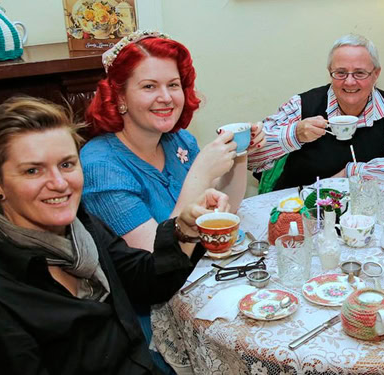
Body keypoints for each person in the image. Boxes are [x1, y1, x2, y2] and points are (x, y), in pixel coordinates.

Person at [0, 96, 225, 374]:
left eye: (67, 164)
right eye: (33, 170)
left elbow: (147, 281)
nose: (59, 183)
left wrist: (185, 230)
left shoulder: (82, 226)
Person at [80, 30, 264, 373]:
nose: (165, 97)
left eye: (173, 85)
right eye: (149, 86)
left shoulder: (178, 140)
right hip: (150, 318)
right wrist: (199, 174)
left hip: (198, 285)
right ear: (119, 96)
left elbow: (225, 213)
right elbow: (154, 258)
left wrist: (239, 154)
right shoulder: (100, 165)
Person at [247, 33, 384, 192]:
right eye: (340, 73)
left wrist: (352, 171)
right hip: (300, 212)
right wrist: (294, 134)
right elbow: (250, 158)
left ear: (376, 74)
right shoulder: (302, 105)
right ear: (330, 73)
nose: (349, 82)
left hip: (363, 213)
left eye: (359, 73)